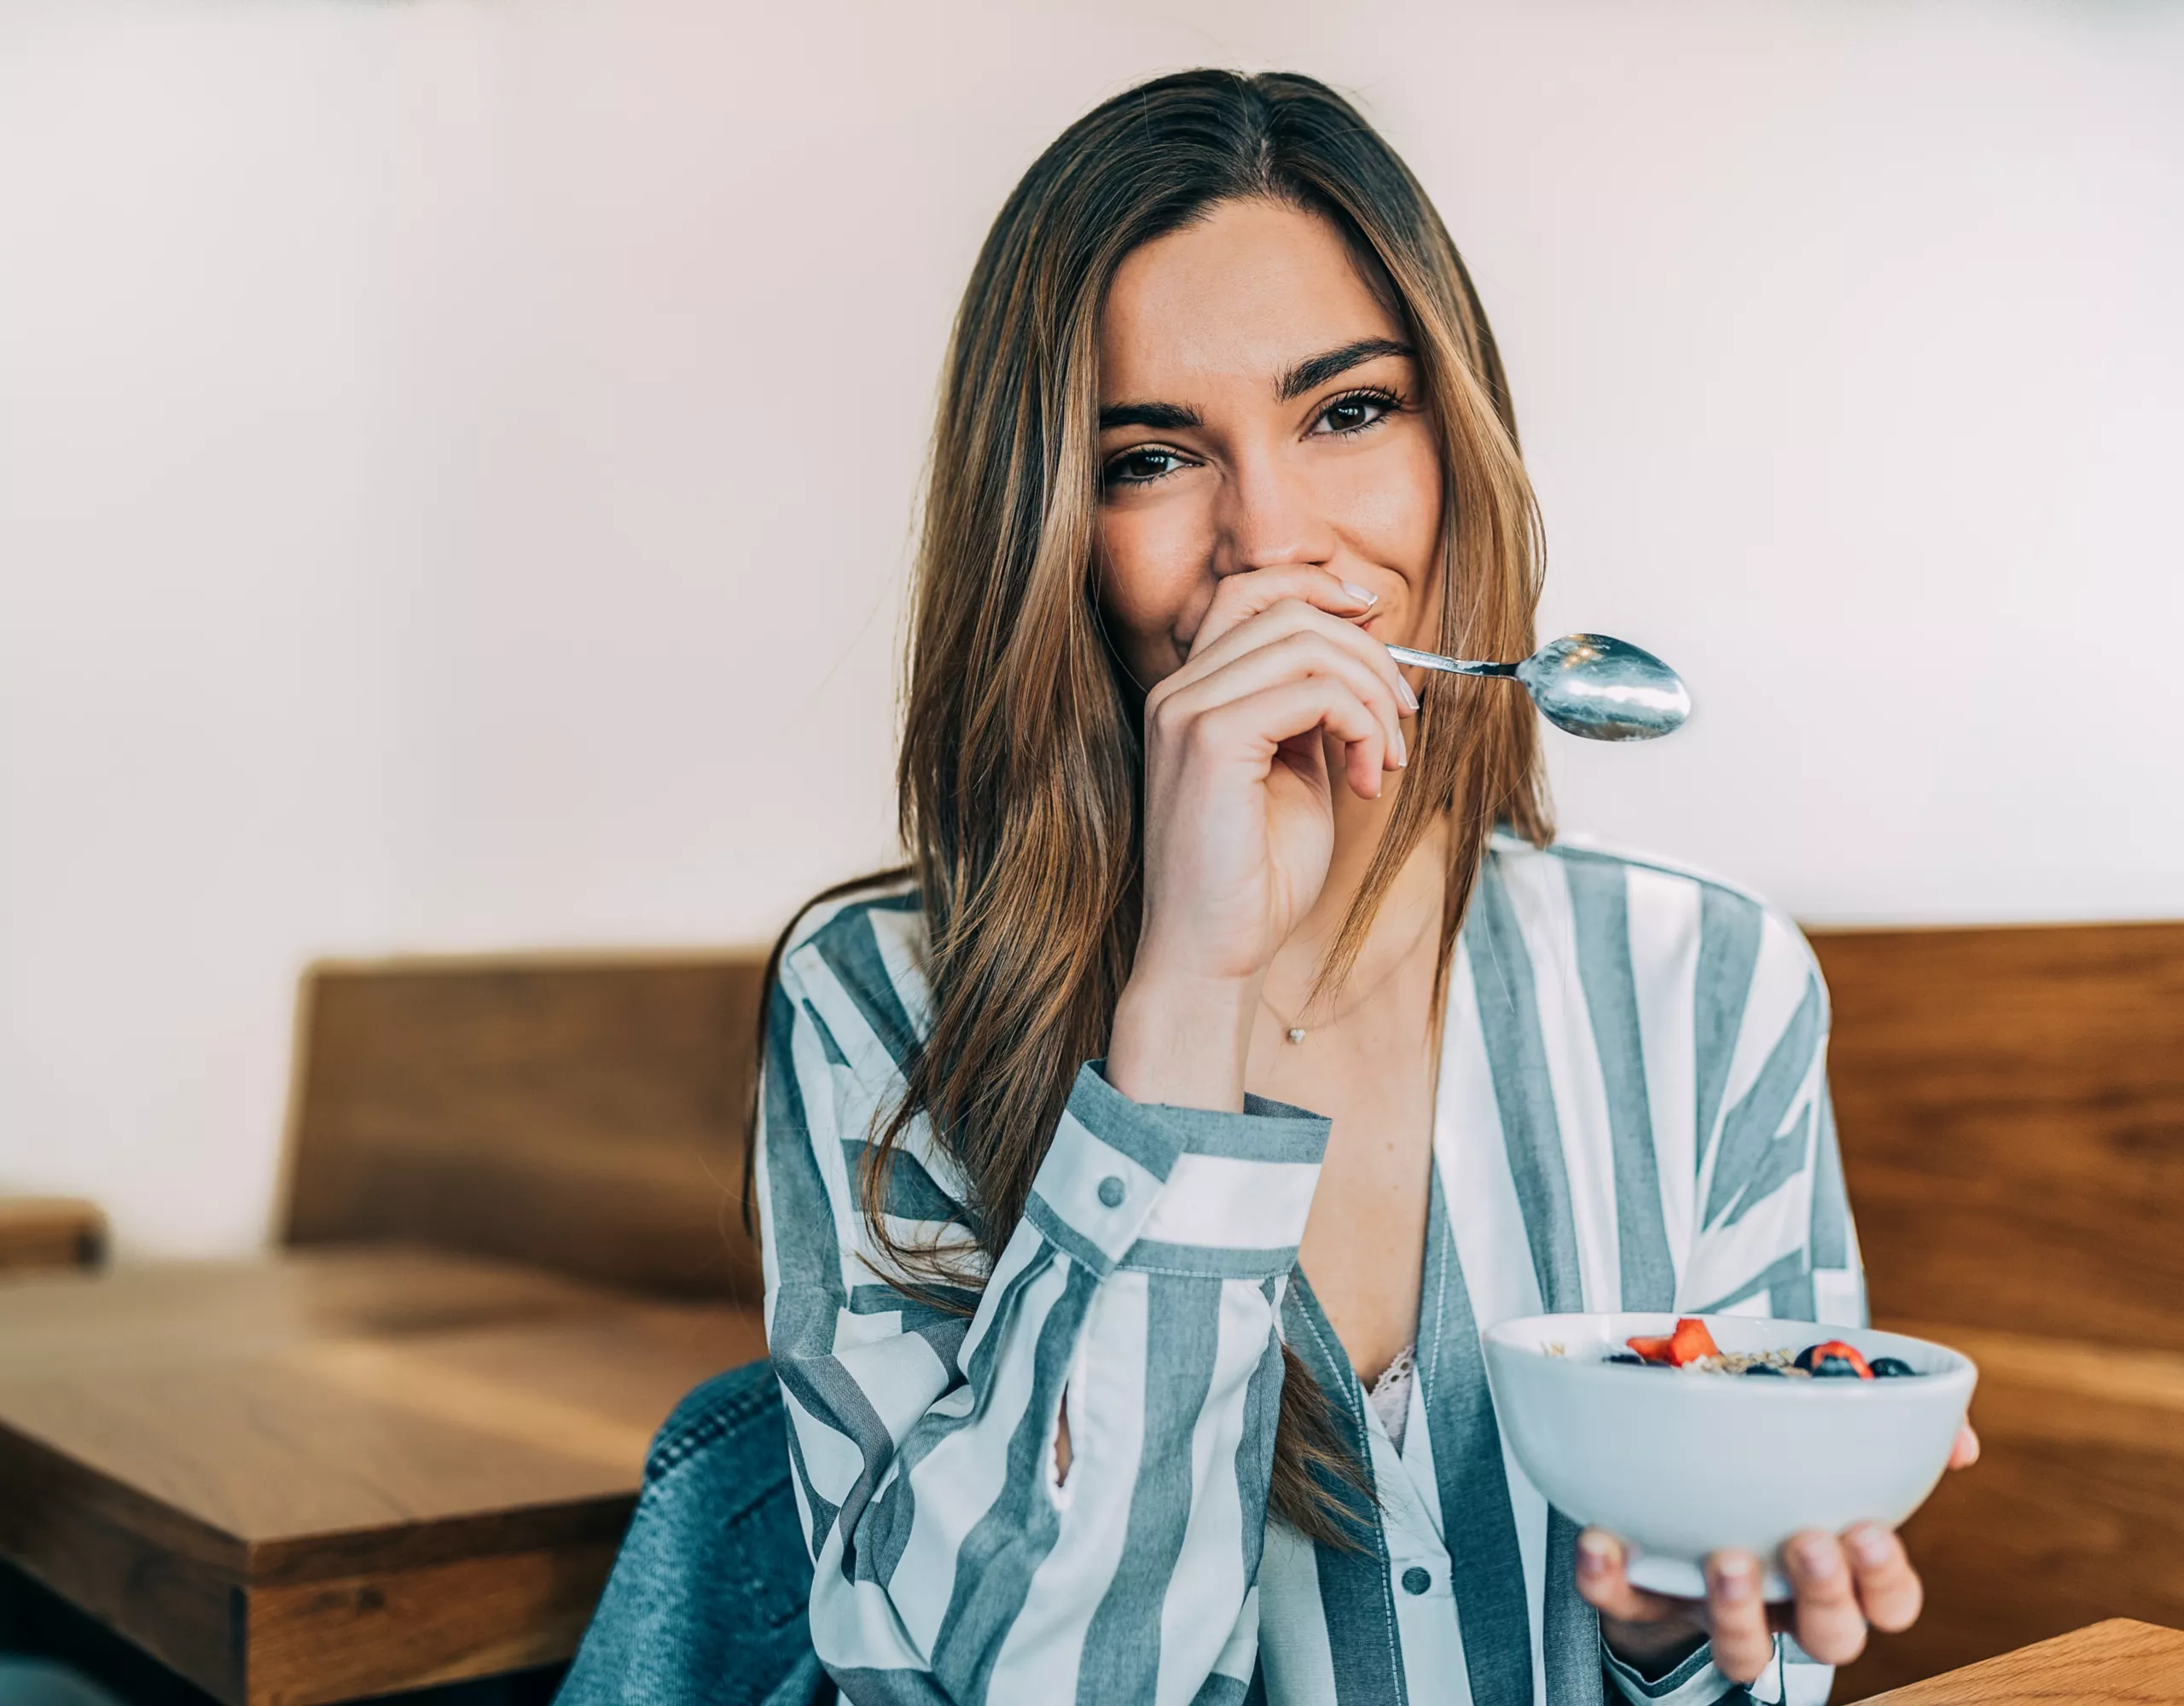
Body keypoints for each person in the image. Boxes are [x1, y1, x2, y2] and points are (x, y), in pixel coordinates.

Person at [752, 68, 1975, 1706]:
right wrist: (1188, 991)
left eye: (1346, 411)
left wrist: (1678, 1638)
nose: (1273, 542)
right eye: (1150, 458)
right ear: (1052, 533)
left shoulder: (1710, 981)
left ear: (1457, 442)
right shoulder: (873, 1000)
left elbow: (1755, 1634)